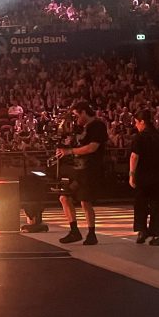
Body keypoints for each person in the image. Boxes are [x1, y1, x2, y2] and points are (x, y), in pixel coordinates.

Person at [54, 100, 108, 245]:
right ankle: (74, 230)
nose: (76, 119)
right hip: (77, 169)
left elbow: (92, 147)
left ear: (83, 112)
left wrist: (70, 151)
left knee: (85, 201)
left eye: (77, 115)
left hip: (90, 169)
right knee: (64, 197)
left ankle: (91, 233)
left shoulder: (97, 126)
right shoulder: (80, 128)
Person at [129, 108, 159, 246]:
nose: (136, 125)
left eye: (136, 122)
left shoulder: (139, 137)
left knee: (141, 204)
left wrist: (131, 174)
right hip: (158, 175)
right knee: (158, 205)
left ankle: (142, 231)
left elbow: (134, 156)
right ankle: (157, 235)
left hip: (142, 175)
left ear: (142, 122)